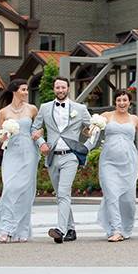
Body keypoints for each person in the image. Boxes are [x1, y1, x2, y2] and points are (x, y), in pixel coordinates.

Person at [31, 77, 93, 244]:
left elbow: (93, 128)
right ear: (54, 89)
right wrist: (41, 142)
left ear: (68, 88)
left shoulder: (80, 108)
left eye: (63, 87)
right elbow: (35, 128)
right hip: (52, 156)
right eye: (57, 87)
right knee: (60, 195)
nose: (60, 90)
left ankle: (60, 230)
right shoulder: (44, 108)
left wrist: (87, 146)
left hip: (71, 156)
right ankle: (71, 228)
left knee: (64, 192)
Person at [96, 89, 138, 242]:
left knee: (128, 200)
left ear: (129, 102)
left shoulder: (135, 119)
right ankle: (115, 229)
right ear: (115, 102)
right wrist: (89, 128)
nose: (122, 103)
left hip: (128, 162)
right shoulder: (105, 116)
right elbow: (92, 133)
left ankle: (125, 228)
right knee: (111, 195)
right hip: (108, 161)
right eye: (119, 100)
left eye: (125, 100)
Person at [0, 79, 39, 243]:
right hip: (12, 152)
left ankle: (21, 230)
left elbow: (38, 128)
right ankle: (6, 228)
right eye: (23, 89)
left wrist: (39, 136)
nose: (26, 92)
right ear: (15, 91)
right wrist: (5, 134)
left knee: (26, 192)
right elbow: (0, 139)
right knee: (10, 188)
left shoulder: (32, 109)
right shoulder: (3, 112)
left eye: (27, 90)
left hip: (29, 153)